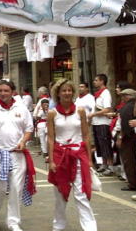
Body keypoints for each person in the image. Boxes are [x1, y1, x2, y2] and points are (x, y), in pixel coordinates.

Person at [0, 80, 35, 231]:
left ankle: (13, 222)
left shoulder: (21, 108)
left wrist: (23, 141)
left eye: (6, 91)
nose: (3, 93)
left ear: (12, 92)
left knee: (16, 188)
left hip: (17, 155)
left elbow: (29, 128)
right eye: (1, 91)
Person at [47, 80, 96, 231]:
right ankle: (58, 225)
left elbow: (86, 135)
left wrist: (89, 158)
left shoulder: (80, 111)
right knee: (61, 194)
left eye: (69, 90)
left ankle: (90, 228)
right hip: (60, 155)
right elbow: (50, 138)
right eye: (64, 90)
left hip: (78, 155)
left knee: (81, 194)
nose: (67, 93)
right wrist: (51, 160)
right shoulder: (52, 113)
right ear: (58, 93)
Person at [89, 74, 114, 175]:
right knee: (99, 145)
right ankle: (104, 164)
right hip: (96, 122)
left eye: (96, 80)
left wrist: (94, 113)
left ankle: (110, 166)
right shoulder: (98, 94)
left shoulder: (106, 93)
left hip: (103, 122)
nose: (94, 82)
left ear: (102, 81)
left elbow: (107, 109)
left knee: (105, 144)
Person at [116, 88, 136, 191]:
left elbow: (124, 124)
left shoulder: (129, 107)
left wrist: (121, 137)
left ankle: (133, 183)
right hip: (132, 136)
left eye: (124, 96)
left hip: (129, 137)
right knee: (131, 160)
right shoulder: (130, 106)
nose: (122, 98)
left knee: (129, 161)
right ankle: (133, 182)